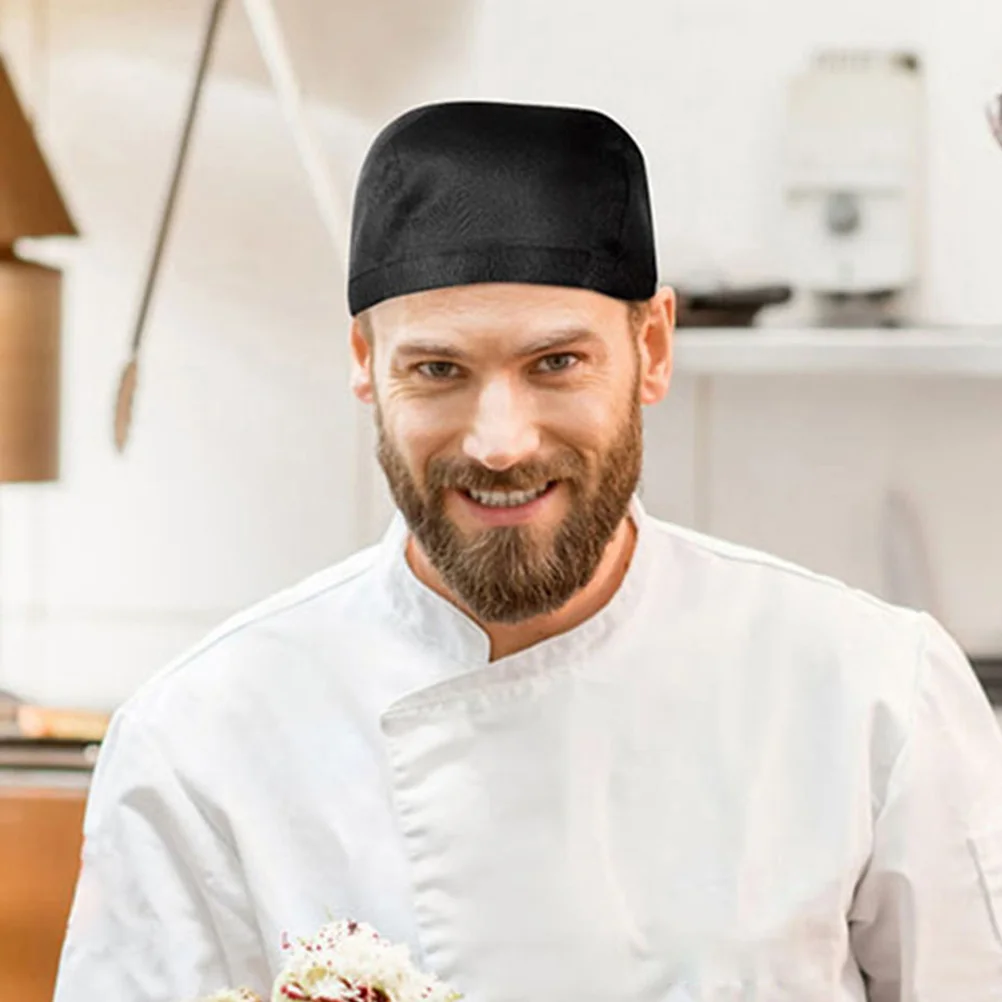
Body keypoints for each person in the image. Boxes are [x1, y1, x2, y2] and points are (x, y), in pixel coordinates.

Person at [55, 101, 1002, 1002]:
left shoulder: (875, 692)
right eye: (438, 370)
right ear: (362, 363)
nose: (499, 441)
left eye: (556, 363)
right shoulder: (201, 741)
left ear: (654, 348)